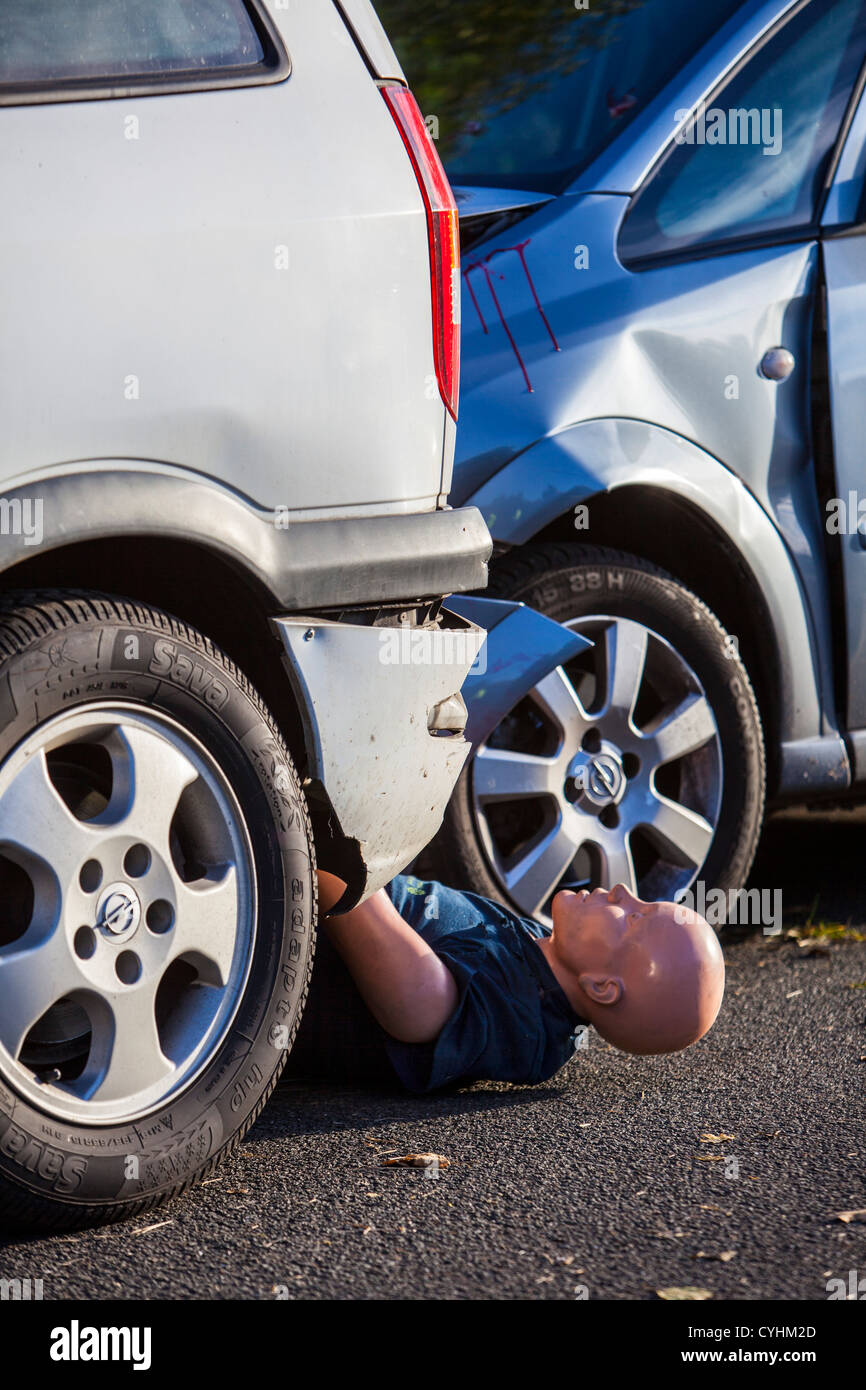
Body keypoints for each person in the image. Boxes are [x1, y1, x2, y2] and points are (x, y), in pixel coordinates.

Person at [283, 871, 725, 1093]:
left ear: (600, 987)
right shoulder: (538, 953)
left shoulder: (521, 1018)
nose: (623, 891)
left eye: (633, 918)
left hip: (287, 923)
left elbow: (419, 1009)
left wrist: (342, 865)